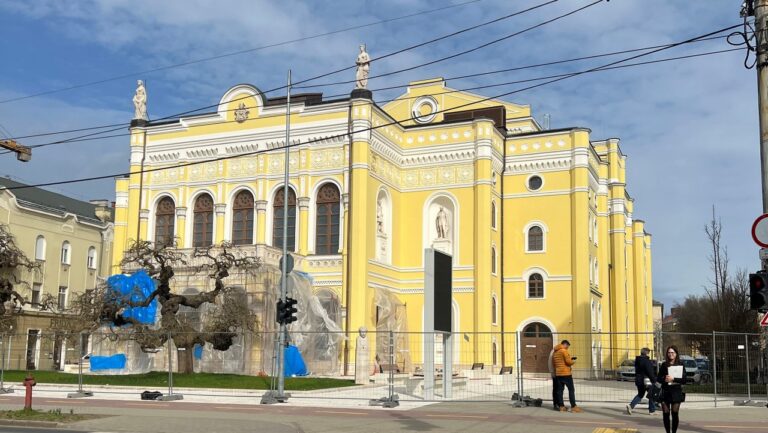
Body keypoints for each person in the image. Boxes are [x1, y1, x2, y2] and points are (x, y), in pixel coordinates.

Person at [657, 345, 686, 433]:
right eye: (669, 352)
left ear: (676, 354)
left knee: (674, 413)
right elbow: (658, 378)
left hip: (676, 392)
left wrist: (673, 379)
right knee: (665, 414)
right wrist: (664, 379)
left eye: (672, 352)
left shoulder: (681, 365)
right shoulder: (664, 365)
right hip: (665, 392)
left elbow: (684, 380)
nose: (670, 354)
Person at [553, 339, 582, 413]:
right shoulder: (564, 351)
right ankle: (573, 406)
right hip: (566, 373)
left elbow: (554, 363)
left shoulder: (555, 352)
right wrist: (573, 361)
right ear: (565, 344)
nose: (567, 348)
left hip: (558, 374)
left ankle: (561, 407)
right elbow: (568, 362)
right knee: (571, 390)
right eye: (567, 346)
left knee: (560, 391)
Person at [626, 347, 657, 415]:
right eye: (648, 353)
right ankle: (652, 410)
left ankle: (631, 406)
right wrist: (654, 380)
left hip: (639, 380)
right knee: (651, 394)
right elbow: (650, 372)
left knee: (640, 394)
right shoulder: (646, 361)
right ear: (647, 353)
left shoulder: (637, 360)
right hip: (646, 380)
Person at [548, 342, 562, 411]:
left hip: (559, 373)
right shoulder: (554, 351)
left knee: (558, 389)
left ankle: (559, 404)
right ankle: (557, 404)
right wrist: (552, 372)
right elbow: (550, 362)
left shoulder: (556, 350)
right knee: (557, 389)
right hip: (556, 373)